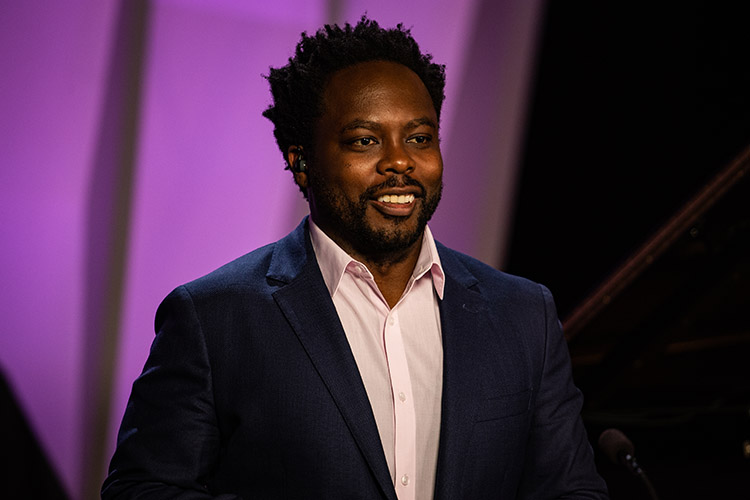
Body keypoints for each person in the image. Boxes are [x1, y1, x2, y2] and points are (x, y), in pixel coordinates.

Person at [102, 17, 609, 500]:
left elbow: (572, 491)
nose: (400, 161)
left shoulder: (523, 313)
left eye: (419, 138)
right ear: (301, 162)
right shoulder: (214, 317)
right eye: (365, 141)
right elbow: (143, 489)